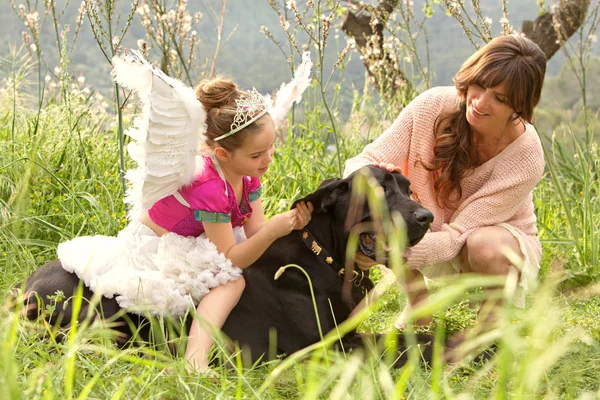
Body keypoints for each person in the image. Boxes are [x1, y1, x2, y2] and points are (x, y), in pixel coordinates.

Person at [57, 54, 314, 374]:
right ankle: (195, 359)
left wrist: (285, 229)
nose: (267, 160)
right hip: (161, 243)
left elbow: (255, 230)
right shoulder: (209, 187)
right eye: (257, 154)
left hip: (201, 237)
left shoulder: (247, 175)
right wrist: (273, 232)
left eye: (271, 148)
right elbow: (231, 257)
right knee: (230, 283)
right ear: (222, 153)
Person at [344, 34, 547, 330]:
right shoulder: (433, 106)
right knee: (375, 197)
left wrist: (390, 252)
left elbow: (458, 236)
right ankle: (418, 307)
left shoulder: (526, 155)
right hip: (426, 226)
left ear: (519, 106)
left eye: (500, 99)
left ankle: (489, 328)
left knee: (484, 246)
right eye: (480, 85)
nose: (480, 102)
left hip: (490, 242)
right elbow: (360, 162)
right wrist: (375, 178)